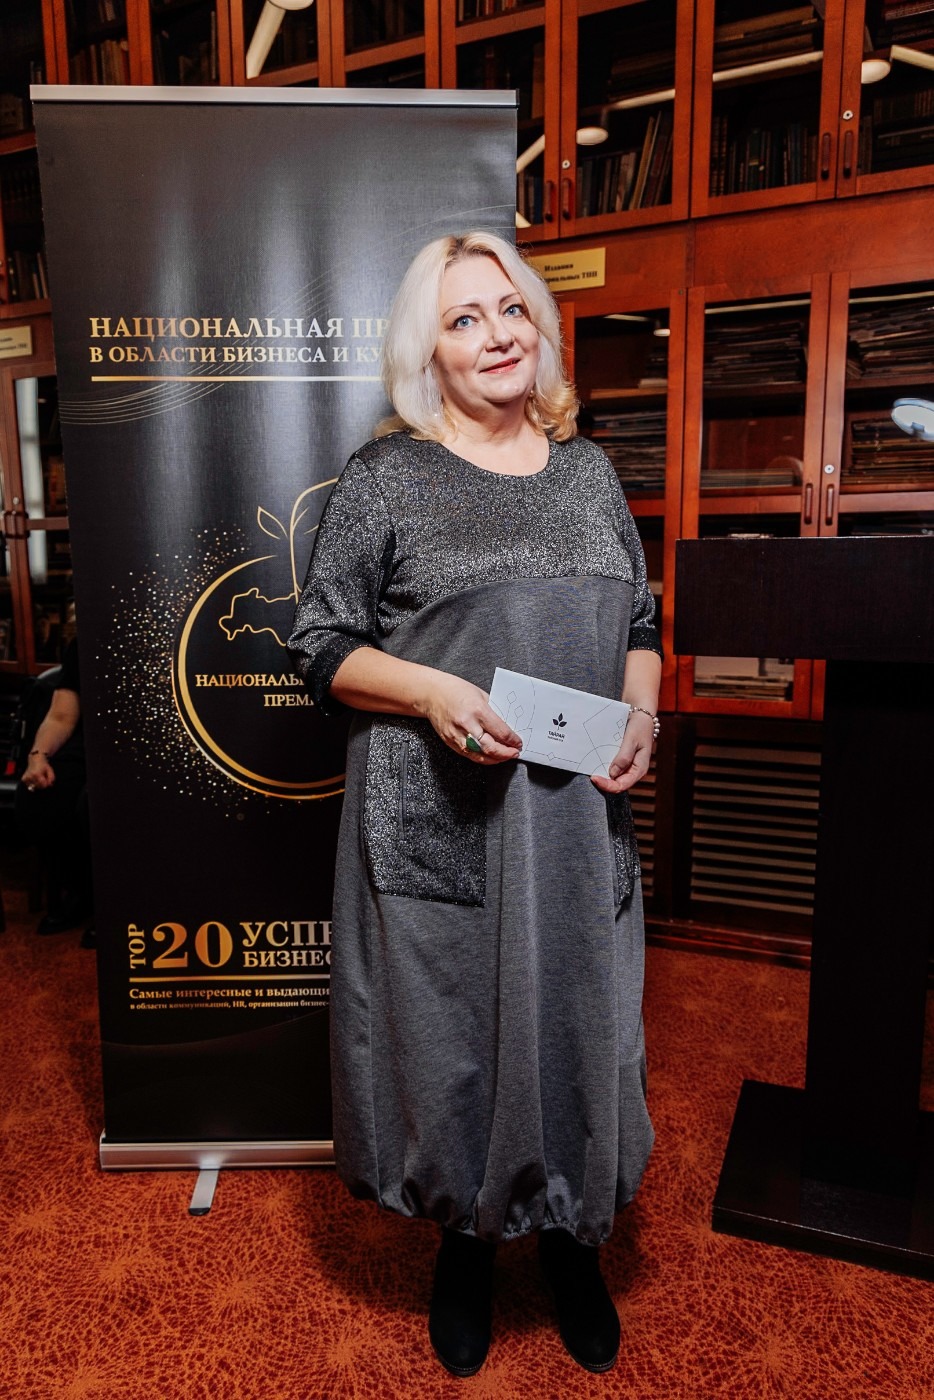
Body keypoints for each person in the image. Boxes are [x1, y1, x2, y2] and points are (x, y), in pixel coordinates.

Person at [288, 231, 662, 1378]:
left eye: (510, 308)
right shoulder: (385, 477)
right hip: (444, 815)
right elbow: (320, 647)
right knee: (454, 1035)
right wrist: (432, 689)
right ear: (428, 352)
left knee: (581, 1023)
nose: (497, 333)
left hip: (575, 817)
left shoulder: (588, 471)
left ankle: (569, 1235)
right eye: (464, 318)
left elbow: (641, 625)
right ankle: (465, 1241)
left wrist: (643, 712)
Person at [16, 637, 94, 946]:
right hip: (90, 740)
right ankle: (80, 894)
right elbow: (61, 716)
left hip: (145, 744)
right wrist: (38, 756)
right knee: (42, 795)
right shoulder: (84, 639)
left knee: (96, 805)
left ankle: (115, 904)